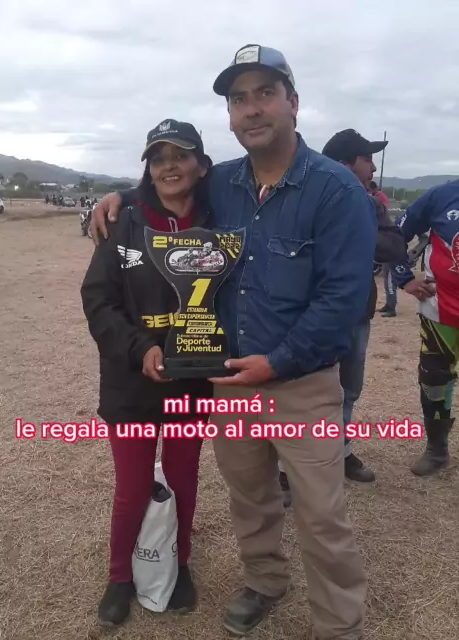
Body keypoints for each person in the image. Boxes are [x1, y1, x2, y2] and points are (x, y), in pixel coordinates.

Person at [90, 44, 377, 640]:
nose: (252, 108)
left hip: (301, 384)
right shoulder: (222, 182)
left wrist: (278, 361)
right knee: (250, 499)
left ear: (293, 103)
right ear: (229, 116)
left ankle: (339, 624)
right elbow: (165, 185)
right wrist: (117, 197)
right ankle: (265, 582)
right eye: (239, 99)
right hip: (229, 382)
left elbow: (345, 299)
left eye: (265, 93)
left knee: (321, 514)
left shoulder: (335, 191)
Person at [80, 119, 214, 627]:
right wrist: (140, 350)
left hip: (192, 380)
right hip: (130, 384)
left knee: (183, 480)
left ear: (201, 166)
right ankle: (119, 576)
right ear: (149, 170)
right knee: (133, 486)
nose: (169, 166)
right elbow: (98, 300)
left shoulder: (219, 221)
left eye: (180, 155)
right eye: (159, 158)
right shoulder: (123, 223)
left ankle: (179, 565)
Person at [319, 129, 406, 481]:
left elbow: (394, 246)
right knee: (306, 390)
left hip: (357, 313)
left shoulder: (372, 204)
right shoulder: (308, 202)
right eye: (367, 158)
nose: (373, 167)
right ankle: (286, 468)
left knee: (349, 388)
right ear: (343, 164)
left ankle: (341, 450)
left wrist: (353, 230)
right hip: (312, 313)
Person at [389, 179, 459, 476]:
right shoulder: (441, 195)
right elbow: (395, 235)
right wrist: (404, 277)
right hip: (440, 310)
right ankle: (437, 450)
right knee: (434, 380)